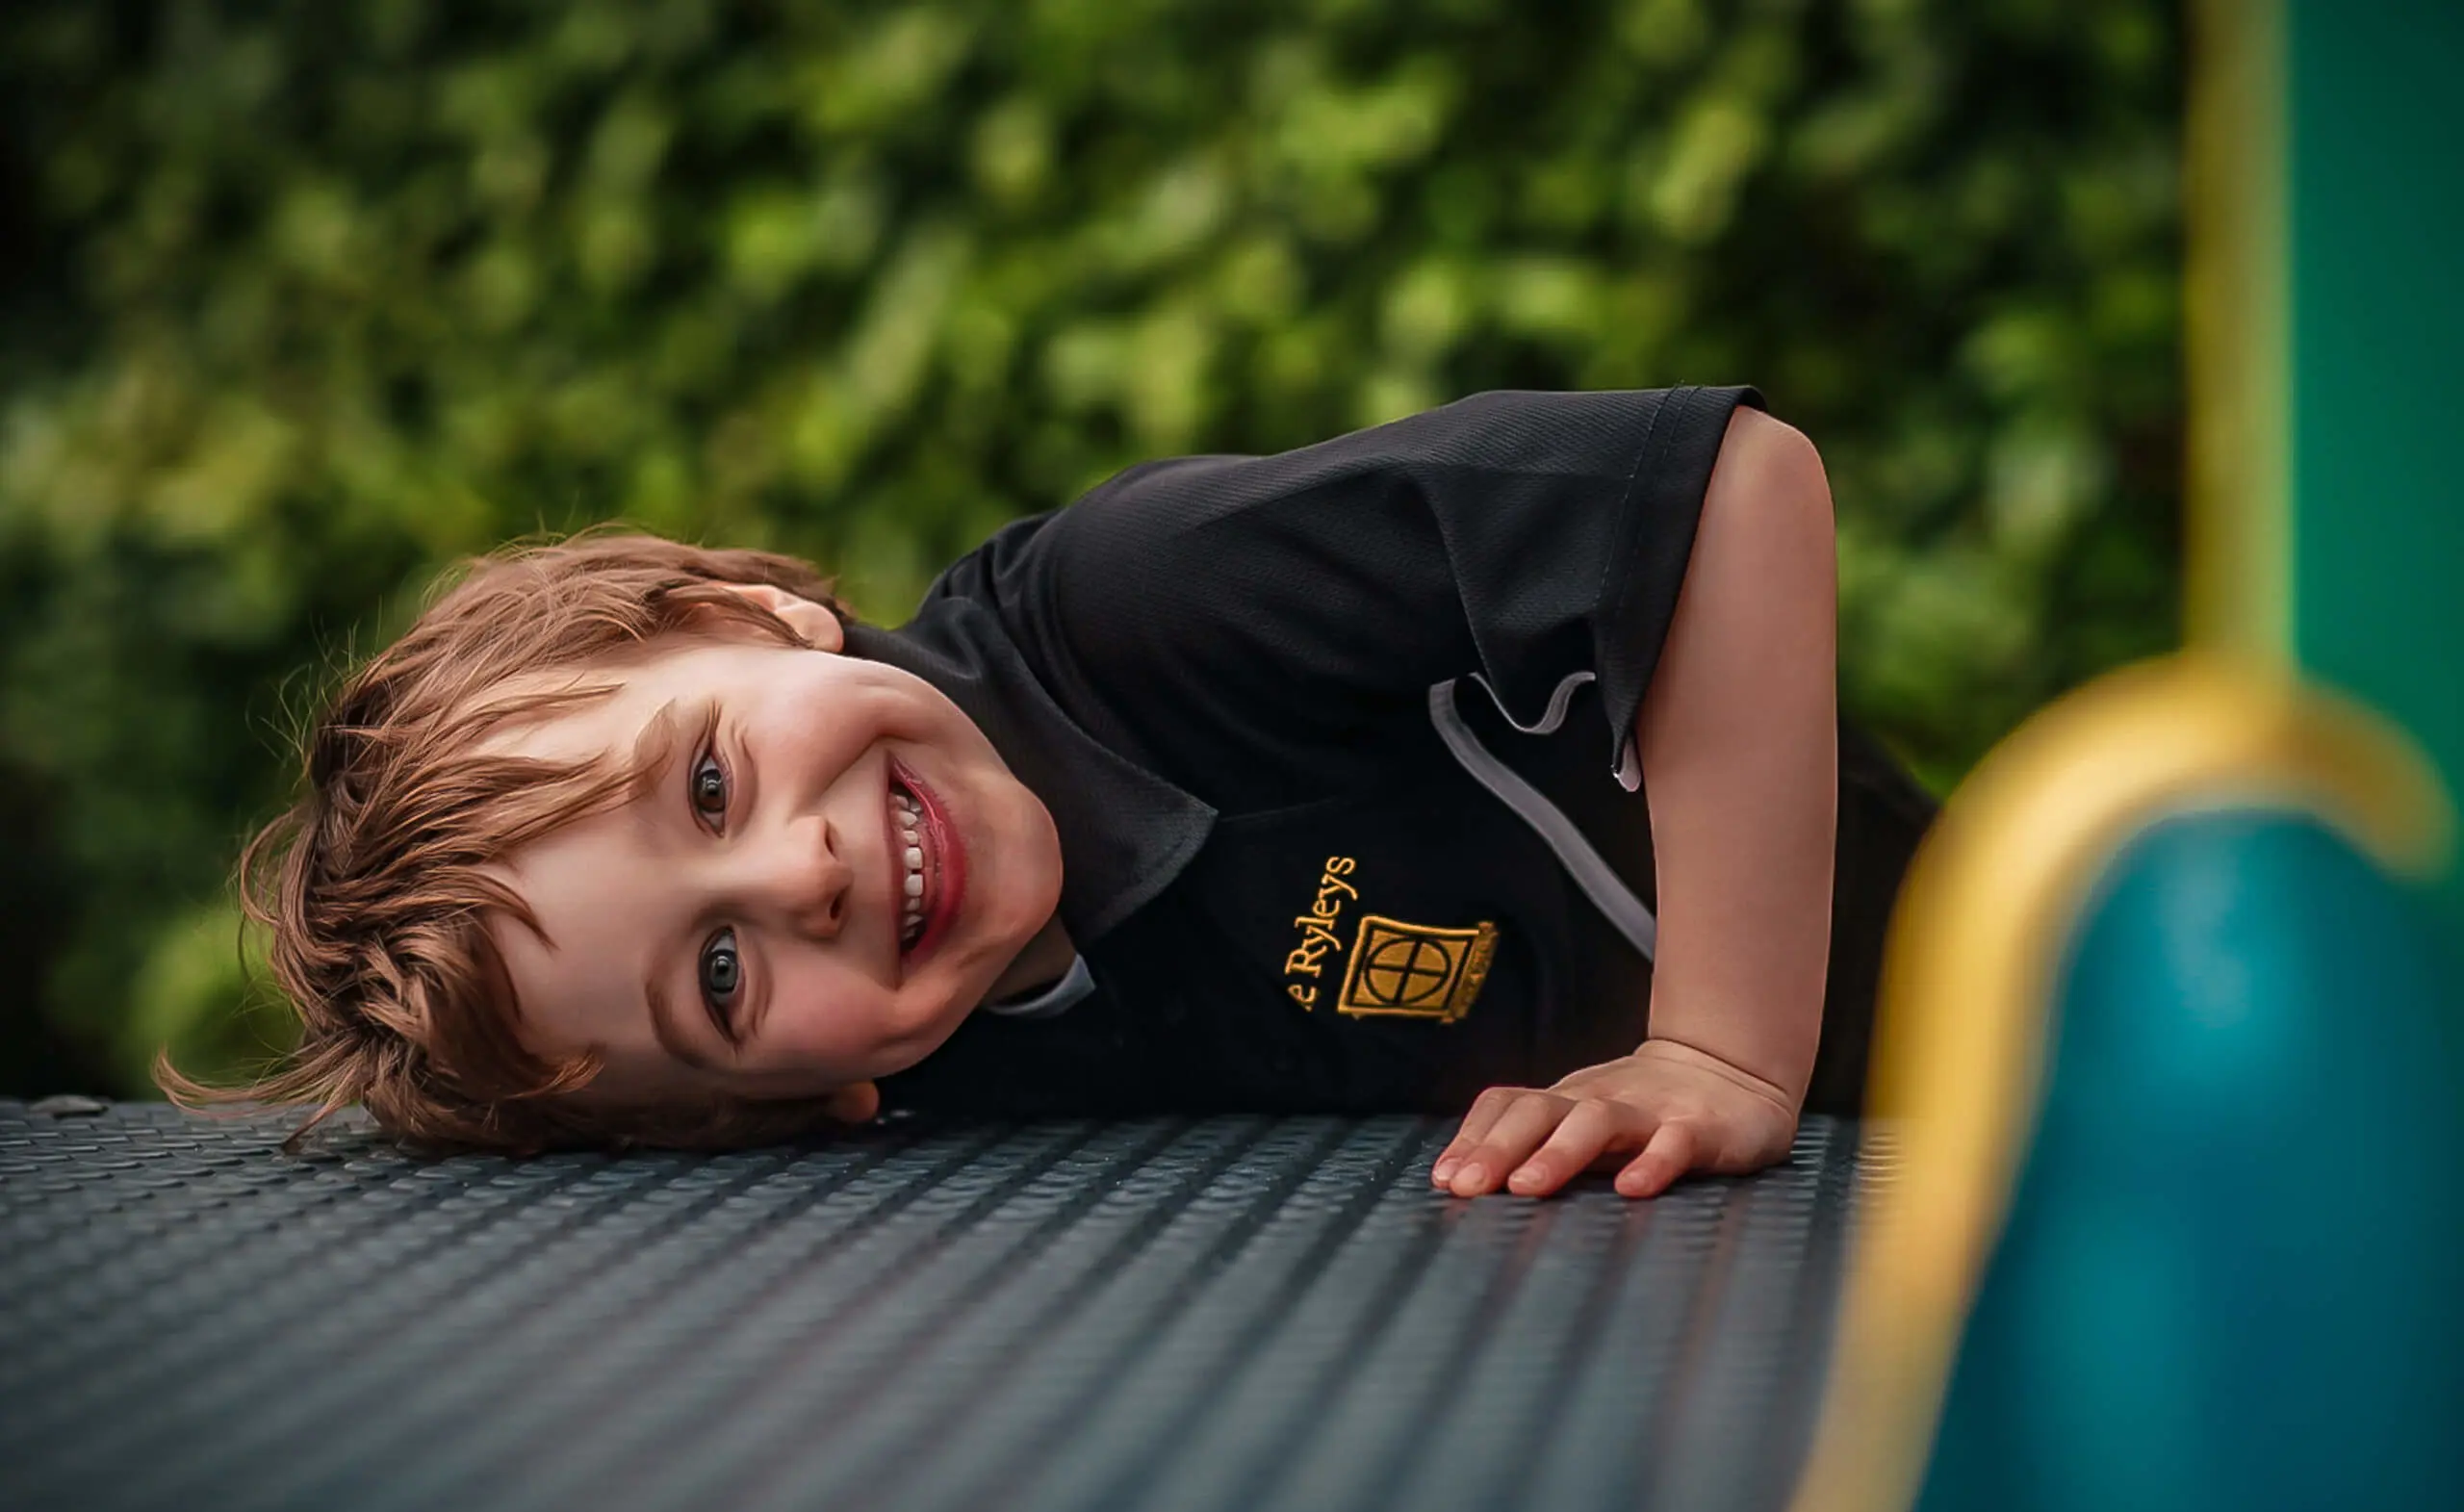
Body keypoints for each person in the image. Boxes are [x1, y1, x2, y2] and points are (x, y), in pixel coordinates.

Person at [165, 385, 1936, 1198]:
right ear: (777, 1109)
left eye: (707, 780)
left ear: (747, 615)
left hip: (1969, 991)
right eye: (717, 975)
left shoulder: (1144, 608)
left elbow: (1723, 494)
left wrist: (1718, 1051)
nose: (798, 876)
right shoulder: (940, 1093)